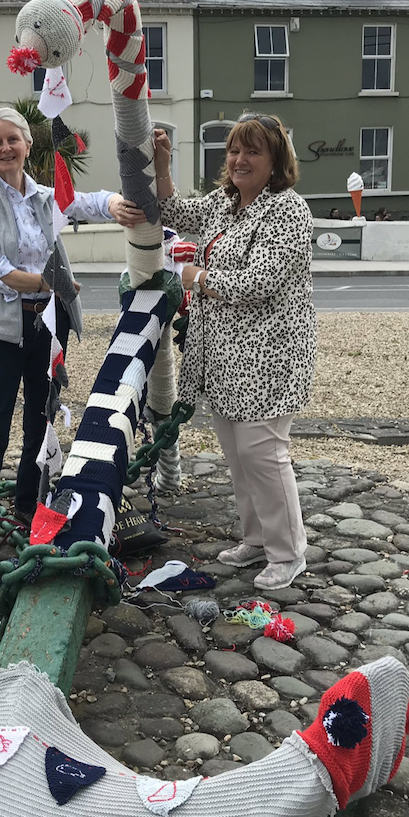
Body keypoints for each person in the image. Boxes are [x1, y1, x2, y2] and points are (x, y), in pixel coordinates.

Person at [0, 106, 137, 573]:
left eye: (11, 140)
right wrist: (46, 282)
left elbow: (81, 201)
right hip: (2, 332)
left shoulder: (42, 195)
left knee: (40, 421)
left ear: (27, 144)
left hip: (47, 326)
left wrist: (116, 204)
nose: (4, 148)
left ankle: (24, 502)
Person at [147, 113, 315, 591]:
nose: (240, 160)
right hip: (223, 359)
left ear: (275, 160)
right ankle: (257, 538)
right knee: (238, 454)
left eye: (253, 151)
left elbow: (258, 283)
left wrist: (193, 277)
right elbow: (175, 211)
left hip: (269, 358)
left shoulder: (287, 210)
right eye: (234, 150)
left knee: (263, 453)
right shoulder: (226, 203)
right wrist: (163, 164)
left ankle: (288, 552)